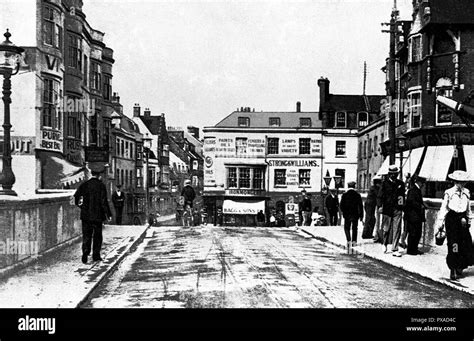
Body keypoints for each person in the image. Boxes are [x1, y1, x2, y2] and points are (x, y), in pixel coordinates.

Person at [435, 170, 474, 280]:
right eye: (458, 182)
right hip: (452, 220)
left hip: (463, 220)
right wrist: (440, 223)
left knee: (465, 244)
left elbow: (468, 208)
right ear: (454, 181)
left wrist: (469, 221)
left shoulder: (467, 192)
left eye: (463, 182)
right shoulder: (449, 192)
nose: (461, 184)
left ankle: (460, 266)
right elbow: (444, 208)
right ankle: (453, 268)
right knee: (453, 244)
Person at [74, 164, 112, 264]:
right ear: (99, 175)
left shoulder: (85, 184)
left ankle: (85, 253)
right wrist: (108, 214)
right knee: (97, 236)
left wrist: (80, 206)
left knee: (86, 235)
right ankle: (96, 255)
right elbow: (104, 202)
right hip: (98, 216)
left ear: (91, 174)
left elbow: (76, 196)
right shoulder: (101, 186)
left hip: (86, 215)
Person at [378, 165, 405, 257]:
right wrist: (379, 206)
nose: (394, 176)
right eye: (392, 174)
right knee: (386, 229)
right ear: (389, 174)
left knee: (397, 229)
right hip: (387, 209)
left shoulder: (401, 183)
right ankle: (384, 243)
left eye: (396, 174)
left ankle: (395, 248)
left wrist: (401, 207)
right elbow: (380, 196)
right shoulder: (384, 184)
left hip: (397, 209)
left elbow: (401, 196)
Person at [404, 175, 426, 256]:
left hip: (416, 216)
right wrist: (420, 206)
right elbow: (411, 202)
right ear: (419, 183)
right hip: (413, 216)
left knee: (416, 233)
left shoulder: (415, 190)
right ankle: (411, 250)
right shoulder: (413, 190)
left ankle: (414, 249)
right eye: (423, 183)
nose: (423, 185)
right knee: (413, 233)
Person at [340, 181, 364, 248]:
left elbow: (341, 205)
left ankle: (348, 241)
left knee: (347, 228)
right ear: (354, 186)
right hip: (355, 214)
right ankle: (354, 242)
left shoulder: (344, 195)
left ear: (348, 186)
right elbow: (360, 206)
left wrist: (344, 212)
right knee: (354, 228)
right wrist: (361, 215)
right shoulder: (357, 195)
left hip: (347, 215)